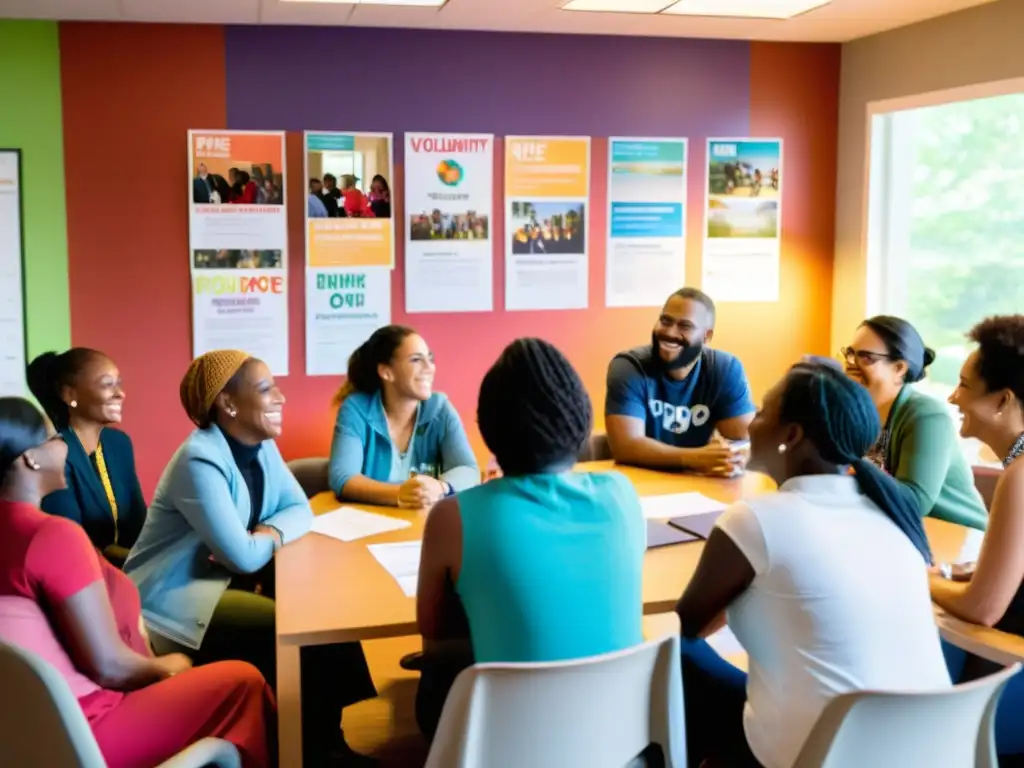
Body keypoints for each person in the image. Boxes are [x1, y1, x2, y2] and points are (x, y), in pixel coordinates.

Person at [675, 359, 948, 767]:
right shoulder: (893, 513)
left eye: (763, 411)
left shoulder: (754, 520)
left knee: (676, 652)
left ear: (792, 434)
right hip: (933, 747)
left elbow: (686, 626)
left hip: (821, 754)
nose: (751, 423)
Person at [124, 350, 377, 766]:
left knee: (321, 615)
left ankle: (325, 741)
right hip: (175, 601)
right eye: (265, 388)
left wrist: (268, 533)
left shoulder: (260, 445)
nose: (281, 396)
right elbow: (241, 557)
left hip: (222, 579)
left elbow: (300, 510)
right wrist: (250, 546)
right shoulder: (198, 458)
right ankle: (308, 751)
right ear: (228, 403)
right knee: (285, 630)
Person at [0, 397, 275, 768]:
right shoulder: (50, 536)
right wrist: (169, 667)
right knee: (244, 681)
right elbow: (110, 667)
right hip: (84, 730)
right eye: (54, 438)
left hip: (23, 736)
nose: (64, 445)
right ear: (31, 458)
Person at [414, 338, 645, 739]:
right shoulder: (622, 494)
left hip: (512, 743)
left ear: (488, 428)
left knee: (435, 669)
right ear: (581, 417)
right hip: (621, 738)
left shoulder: (453, 516)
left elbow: (434, 627)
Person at [933, 315, 1024, 760]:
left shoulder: (1021, 476)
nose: (953, 396)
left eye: (965, 384)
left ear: (1003, 400)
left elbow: (983, 609)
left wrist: (923, 580)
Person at [843, 315, 988, 530]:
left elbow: (914, 503)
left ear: (899, 368)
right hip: (897, 535)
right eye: (850, 354)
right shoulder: (855, 412)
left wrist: (851, 469)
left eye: (865, 358)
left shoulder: (927, 416)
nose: (851, 364)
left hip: (960, 541)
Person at [605, 287, 755, 476]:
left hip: (701, 484)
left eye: (685, 326)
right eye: (665, 321)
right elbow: (626, 447)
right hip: (641, 480)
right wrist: (695, 459)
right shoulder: (629, 367)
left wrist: (731, 458)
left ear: (706, 337)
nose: (670, 332)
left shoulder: (725, 369)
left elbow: (745, 440)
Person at [329, 325, 479, 507]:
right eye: (416, 360)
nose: (429, 368)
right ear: (387, 372)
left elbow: (469, 469)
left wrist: (440, 487)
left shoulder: (440, 408)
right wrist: (401, 494)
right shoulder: (356, 409)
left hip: (423, 526)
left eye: (430, 359)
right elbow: (343, 477)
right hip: (371, 526)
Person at [26, 348, 147, 566]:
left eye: (119, 382)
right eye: (107, 384)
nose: (120, 393)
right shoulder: (54, 453)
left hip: (131, 568)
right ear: (69, 395)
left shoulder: (118, 444)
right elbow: (70, 543)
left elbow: (139, 523)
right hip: (83, 574)